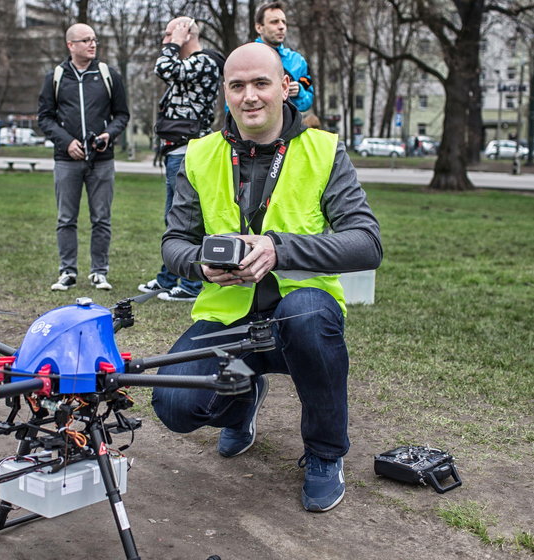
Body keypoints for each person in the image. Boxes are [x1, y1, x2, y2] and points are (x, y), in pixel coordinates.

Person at [151, 42, 382, 513]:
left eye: (261, 83)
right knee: (173, 405)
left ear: (284, 87)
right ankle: (243, 394)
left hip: (301, 309)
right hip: (228, 316)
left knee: (307, 322)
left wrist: (279, 248)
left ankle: (324, 453)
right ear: (226, 93)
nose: (250, 96)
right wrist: (201, 265)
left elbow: (367, 243)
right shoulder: (200, 155)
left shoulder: (323, 149)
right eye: (237, 86)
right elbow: (173, 244)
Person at [38, 23, 129, 292]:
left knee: (101, 218)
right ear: (71, 45)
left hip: (102, 160)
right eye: (86, 40)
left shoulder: (107, 75)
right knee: (66, 219)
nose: (92, 44)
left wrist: (107, 136)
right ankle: (67, 271)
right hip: (66, 160)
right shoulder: (55, 77)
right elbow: (44, 117)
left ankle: (99, 272)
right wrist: (66, 143)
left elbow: (122, 115)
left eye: (94, 40)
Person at [138, 16, 224, 303]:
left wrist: (175, 41)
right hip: (175, 148)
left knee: (186, 220)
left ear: (186, 34)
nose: (165, 42)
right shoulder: (189, 67)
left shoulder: (204, 62)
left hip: (188, 149)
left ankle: (190, 285)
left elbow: (163, 67)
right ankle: (167, 278)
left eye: (168, 35)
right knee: (173, 220)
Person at [254, 1, 314, 112]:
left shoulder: (298, 61)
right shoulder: (245, 58)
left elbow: (308, 101)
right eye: (274, 22)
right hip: (253, 127)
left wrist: (299, 92)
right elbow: (231, 101)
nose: (281, 27)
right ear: (259, 28)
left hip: (289, 127)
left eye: (284, 22)